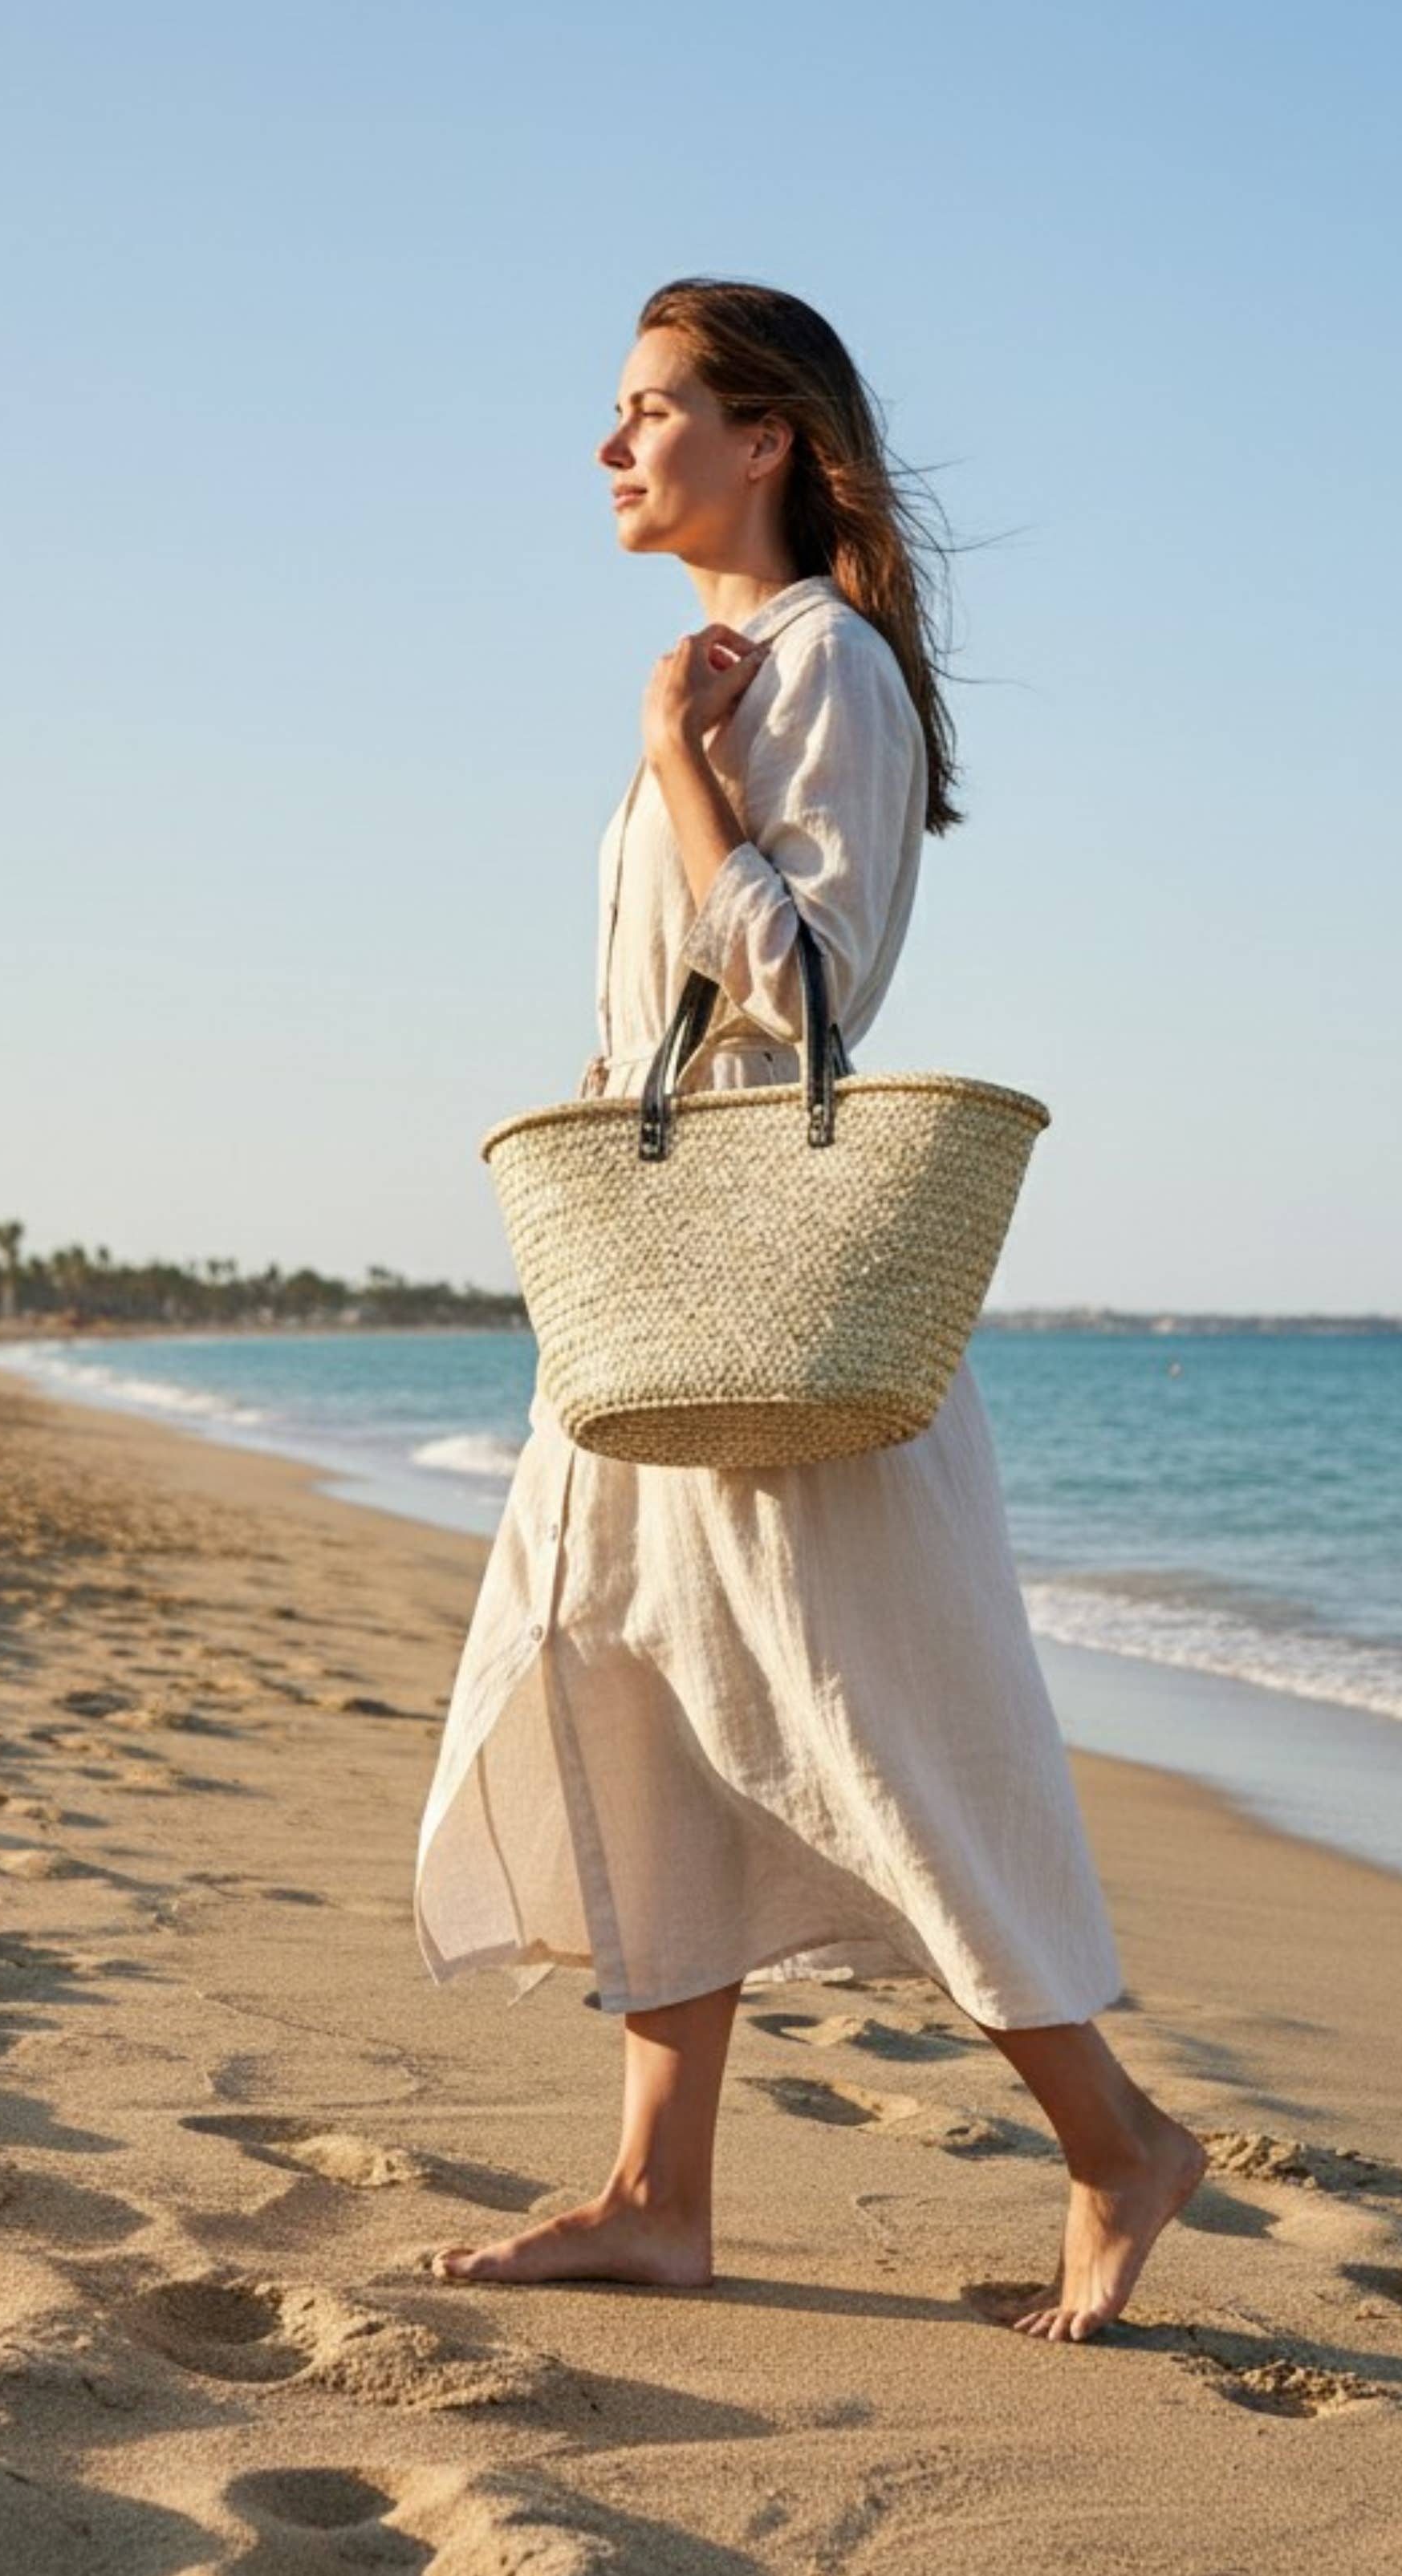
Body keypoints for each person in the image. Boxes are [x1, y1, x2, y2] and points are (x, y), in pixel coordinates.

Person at [412, 279, 1207, 2341]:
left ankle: (1118, 2140)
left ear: (764, 437)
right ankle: (652, 2192)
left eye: (649, 407)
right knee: (641, 1714)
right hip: (653, 1307)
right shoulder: (728, 670)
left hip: (781, 1325)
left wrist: (676, 768)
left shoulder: (822, 664)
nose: (610, 446)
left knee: (876, 1746)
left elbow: (813, 989)